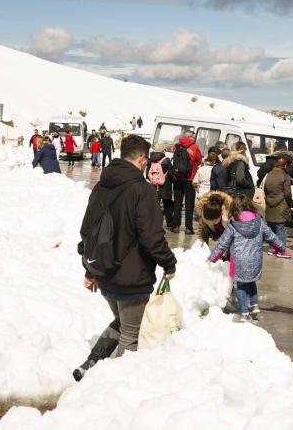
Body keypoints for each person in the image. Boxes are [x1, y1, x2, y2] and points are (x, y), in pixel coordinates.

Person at [73, 135, 177, 381]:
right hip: (132, 275)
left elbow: (87, 230)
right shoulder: (142, 191)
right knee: (131, 334)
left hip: (104, 271)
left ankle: (90, 364)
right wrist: (169, 262)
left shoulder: (102, 185)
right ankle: (112, 387)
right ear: (142, 158)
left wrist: (90, 269)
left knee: (120, 321)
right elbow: (152, 236)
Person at [207, 195, 284, 321]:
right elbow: (270, 235)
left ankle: (244, 312)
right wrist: (280, 246)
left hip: (239, 261)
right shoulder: (259, 221)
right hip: (255, 260)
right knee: (251, 281)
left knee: (241, 286)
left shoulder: (233, 224)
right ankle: (254, 305)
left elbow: (223, 243)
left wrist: (212, 257)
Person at [170, 130, 202, 235]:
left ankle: (175, 226)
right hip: (190, 179)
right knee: (189, 204)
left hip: (177, 178)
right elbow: (199, 160)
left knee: (177, 203)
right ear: (189, 136)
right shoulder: (194, 147)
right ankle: (188, 228)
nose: (194, 138)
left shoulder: (176, 146)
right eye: (193, 136)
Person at [264, 153, 293, 258]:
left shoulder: (270, 173)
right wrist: (289, 202)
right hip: (281, 205)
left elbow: (265, 188)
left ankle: (272, 248)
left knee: (271, 228)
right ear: (285, 165)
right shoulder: (285, 175)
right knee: (281, 228)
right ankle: (281, 250)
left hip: (270, 204)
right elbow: (287, 193)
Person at [148, 143, 173, 229]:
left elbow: (148, 172)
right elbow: (171, 173)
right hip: (165, 186)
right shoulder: (166, 160)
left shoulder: (150, 160)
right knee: (168, 205)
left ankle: (153, 223)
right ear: (163, 150)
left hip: (153, 185)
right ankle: (169, 224)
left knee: (154, 205)